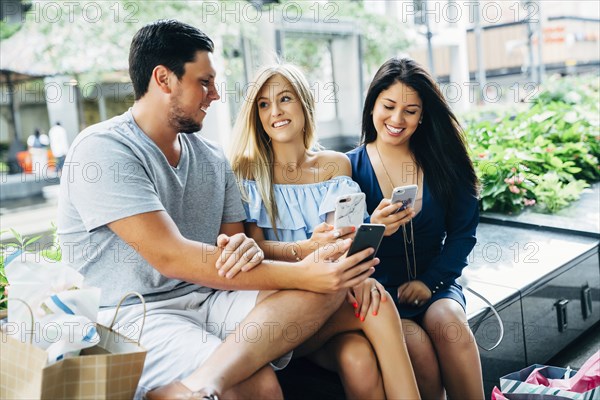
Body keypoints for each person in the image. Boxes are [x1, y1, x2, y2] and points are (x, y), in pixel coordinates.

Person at [57, 20, 378, 400]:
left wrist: (298, 255)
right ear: (164, 79)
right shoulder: (104, 150)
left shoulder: (210, 157)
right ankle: (198, 383)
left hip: (210, 297)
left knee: (330, 284)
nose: (215, 95)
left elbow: (236, 247)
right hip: (134, 314)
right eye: (204, 82)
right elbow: (170, 256)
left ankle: (193, 385)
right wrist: (302, 270)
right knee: (259, 387)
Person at [228, 64, 420, 399]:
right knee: (379, 306)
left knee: (357, 358)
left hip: (331, 299)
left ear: (304, 103)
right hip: (278, 307)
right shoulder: (244, 170)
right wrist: (304, 249)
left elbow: (341, 240)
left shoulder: (335, 165)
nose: (275, 111)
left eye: (284, 99)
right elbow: (253, 250)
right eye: (263, 104)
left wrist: (373, 228)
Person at [347, 57, 484, 399]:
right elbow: (341, 248)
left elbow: (463, 233)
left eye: (410, 110)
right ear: (373, 105)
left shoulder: (443, 160)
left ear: (423, 115)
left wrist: (430, 281)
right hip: (380, 294)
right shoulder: (347, 167)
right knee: (416, 345)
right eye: (388, 106)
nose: (397, 119)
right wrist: (373, 226)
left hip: (436, 283)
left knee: (450, 323)